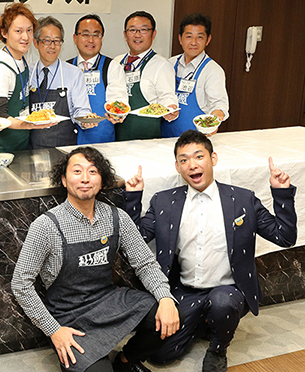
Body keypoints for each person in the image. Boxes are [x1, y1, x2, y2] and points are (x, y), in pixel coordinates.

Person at [124, 130, 297, 372]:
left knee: (222, 303)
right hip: (185, 290)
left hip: (228, 290)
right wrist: (133, 199)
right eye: (184, 160)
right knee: (161, 356)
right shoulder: (164, 201)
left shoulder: (242, 199)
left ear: (213, 159)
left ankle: (218, 347)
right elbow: (136, 240)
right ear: (177, 166)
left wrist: (281, 194)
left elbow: (285, 237)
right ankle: (202, 322)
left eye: (198, 157)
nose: (192, 165)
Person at [12, 146, 181, 372]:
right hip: (67, 315)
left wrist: (166, 298)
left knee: (167, 318)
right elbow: (21, 284)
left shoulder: (116, 217)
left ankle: (126, 361)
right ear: (63, 180)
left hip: (108, 301)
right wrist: (54, 330)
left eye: (93, 172)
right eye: (77, 171)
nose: (85, 179)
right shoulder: (46, 226)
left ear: (102, 181)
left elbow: (145, 263)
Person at [0, 2, 55, 153]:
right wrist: (30, 124)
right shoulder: (1, 67)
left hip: (21, 141)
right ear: (4, 33)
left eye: (29, 30)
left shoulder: (21, 59)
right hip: (3, 145)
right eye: (18, 31)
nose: (25, 37)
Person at [28, 16, 95, 149]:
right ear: (36, 43)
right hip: (30, 147)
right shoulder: (27, 72)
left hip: (64, 146)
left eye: (57, 41)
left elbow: (81, 109)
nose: (52, 46)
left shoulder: (74, 73)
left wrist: (86, 120)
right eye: (47, 41)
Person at [113, 11, 178, 141]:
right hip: (116, 135)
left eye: (143, 30)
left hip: (147, 137)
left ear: (153, 34)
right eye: (132, 30)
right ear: (125, 35)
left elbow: (167, 96)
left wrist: (171, 107)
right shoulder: (116, 62)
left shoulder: (161, 65)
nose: (137, 35)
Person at [163, 13, 229, 138]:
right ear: (180, 39)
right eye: (188, 36)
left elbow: (219, 104)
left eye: (199, 37)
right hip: (164, 136)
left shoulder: (212, 70)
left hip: (194, 141)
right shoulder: (169, 64)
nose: (193, 42)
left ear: (208, 40)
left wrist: (213, 121)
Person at [68, 14, 128, 144]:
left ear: (101, 38)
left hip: (102, 140)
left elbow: (117, 99)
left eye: (96, 35)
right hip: (69, 141)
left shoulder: (111, 66)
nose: (91, 40)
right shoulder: (66, 67)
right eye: (85, 34)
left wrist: (117, 114)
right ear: (75, 38)